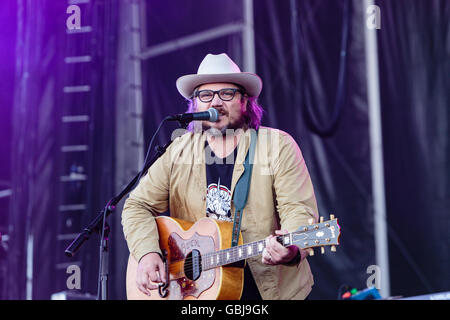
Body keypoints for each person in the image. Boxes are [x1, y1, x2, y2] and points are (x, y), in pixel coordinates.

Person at [121, 53, 319, 300]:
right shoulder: (178, 151)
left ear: (244, 101)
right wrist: (148, 253)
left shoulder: (278, 146)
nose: (215, 103)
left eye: (227, 93)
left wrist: (291, 246)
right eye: (205, 95)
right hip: (199, 293)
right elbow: (137, 206)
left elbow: (298, 209)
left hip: (269, 292)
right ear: (195, 105)